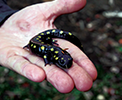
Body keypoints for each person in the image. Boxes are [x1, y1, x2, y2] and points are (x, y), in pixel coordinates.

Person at [0, 0, 97, 93]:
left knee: (52, 40)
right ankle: (40, 42)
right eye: (63, 62)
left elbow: (51, 53)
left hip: (41, 39)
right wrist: (47, 60)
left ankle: (50, 39)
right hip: (36, 41)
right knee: (44, 45)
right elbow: (46, 56)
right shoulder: (52, 53)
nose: (68, 64)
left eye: (68, 60)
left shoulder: (57, 52)